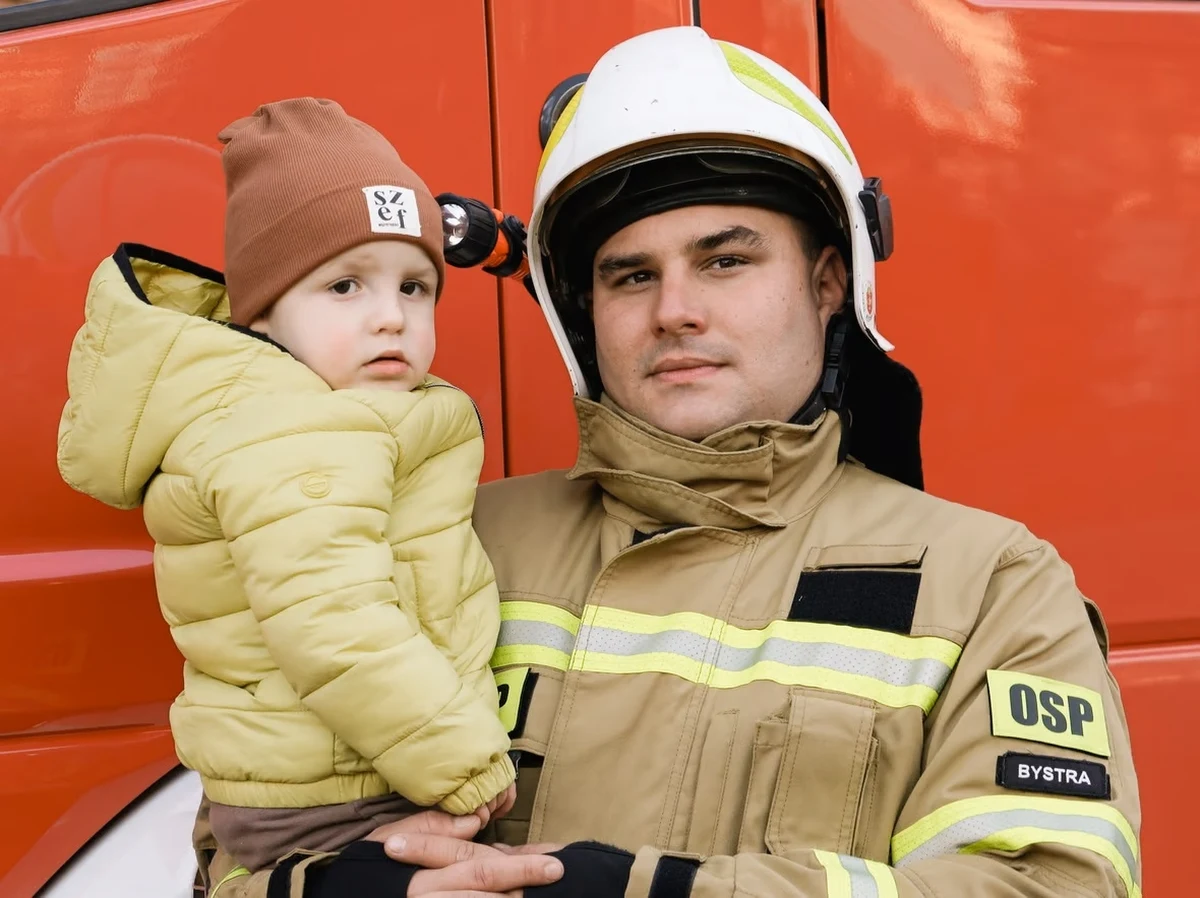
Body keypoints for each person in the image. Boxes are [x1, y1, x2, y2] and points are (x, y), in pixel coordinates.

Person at [197, 26, 1142, 898]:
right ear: (585, 315)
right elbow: (237, 844)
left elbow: (1054, 885)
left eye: (725, 261)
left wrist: (666, 892)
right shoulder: (446, 537)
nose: (674, 310)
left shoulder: (987, 585)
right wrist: (324, 890)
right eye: (631, 274)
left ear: (827, 285)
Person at [54, 97, 517, 889]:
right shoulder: (290, 431)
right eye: (345, 287)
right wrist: (468, 768)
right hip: (340, 791)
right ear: (263, 316)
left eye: (414, 287)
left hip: (342, 764)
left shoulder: (322, 414)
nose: (390, 319)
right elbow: (334, 623)